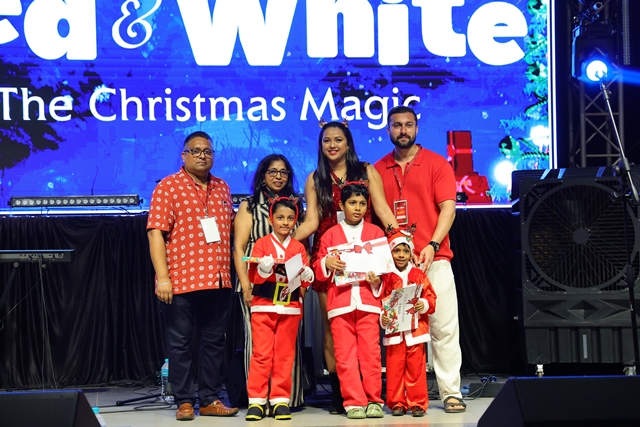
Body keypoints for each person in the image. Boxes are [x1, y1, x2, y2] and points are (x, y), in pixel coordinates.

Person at [293, 121, 398, 413]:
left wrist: (399, 238)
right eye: (327, 140)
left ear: (348, 143)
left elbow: (382, 210)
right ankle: (341, 393)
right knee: (333, 327)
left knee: (366, 329)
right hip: (331, 255)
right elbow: (312, 222)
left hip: (366, 256)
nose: (332, 145)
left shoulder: (366, 171)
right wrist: (283, 240)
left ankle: (370, 393)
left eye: (338, 139)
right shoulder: (315, 178)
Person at [374, 105, 466, 413]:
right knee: (398, 333)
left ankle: (451, 392)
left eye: (408, 125)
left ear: (416, 128)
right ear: (388, 129)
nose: (403, 130)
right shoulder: (379, 168)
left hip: (433, 259)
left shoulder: (437, 163)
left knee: (443, 328)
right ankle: (400, 398)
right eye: (397, 125)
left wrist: (432, 244)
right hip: (396, 265)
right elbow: (380, 212)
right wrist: (401, 244)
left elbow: (448, 209)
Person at [147, 131, 239, 421]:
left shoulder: (222, 187)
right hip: (181, 281)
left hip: (218, 279)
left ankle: (210, 399)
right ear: (184, 155)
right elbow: (156, 233)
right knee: (180, 344)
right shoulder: (168, 186)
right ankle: (184, 401)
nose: (202, 155)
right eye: (196, 150)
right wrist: (163, 278)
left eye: (208, 151)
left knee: (214, 343)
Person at [233, 154, 307, 408]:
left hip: (289, 287)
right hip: (257, 284)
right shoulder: (250, 205)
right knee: (259, 346)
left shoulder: (296, 204)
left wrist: (302, 286)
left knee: (287, 345)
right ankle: (258, 399)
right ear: (263, 176)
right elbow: (239, 247)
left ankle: (285, 399)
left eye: (283, 172)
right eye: (272, 171)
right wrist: (246, 285)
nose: (278, 176)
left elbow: (302, 248)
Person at [312, 183, 385, 420]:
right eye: (352, 203)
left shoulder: (376, 233)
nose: (357, 208)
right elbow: (319, 270)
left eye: (362, 203)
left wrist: (377, 279)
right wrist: (326, 263)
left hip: (368, 303)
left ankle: (374, 400)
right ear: (341, 205)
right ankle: (353, 401)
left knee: (371, 354)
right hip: (340, 305)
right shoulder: (330, 234)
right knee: (344, 356)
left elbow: (384, 269)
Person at [245, 197, 315, 421]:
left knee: (284, 356)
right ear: (270, 219)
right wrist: (264, 270)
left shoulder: (298, 247)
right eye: (280, 218)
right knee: (261, 354)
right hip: (263, 307)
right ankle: (256, 401)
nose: (285, 222)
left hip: (290, 308)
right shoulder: (261, 243)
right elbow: (254, 277)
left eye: (290, 218)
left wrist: (308, 275)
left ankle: (280, 400)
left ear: (295, 220)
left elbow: (303, 281)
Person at [377, 226, 437, 417]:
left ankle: (417, 403)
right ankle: (396, 403)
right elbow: (382, 301)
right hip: (395, 333)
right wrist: (383, 317)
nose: (401, 255)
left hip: (416, 332)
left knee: (416, 369)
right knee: (394, 369)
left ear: (411, 253)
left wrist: (423, 304)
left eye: (405, 250)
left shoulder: (418, 275)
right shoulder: (387, 277)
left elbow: (431, 298)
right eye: (397, 251)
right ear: (391, 252)